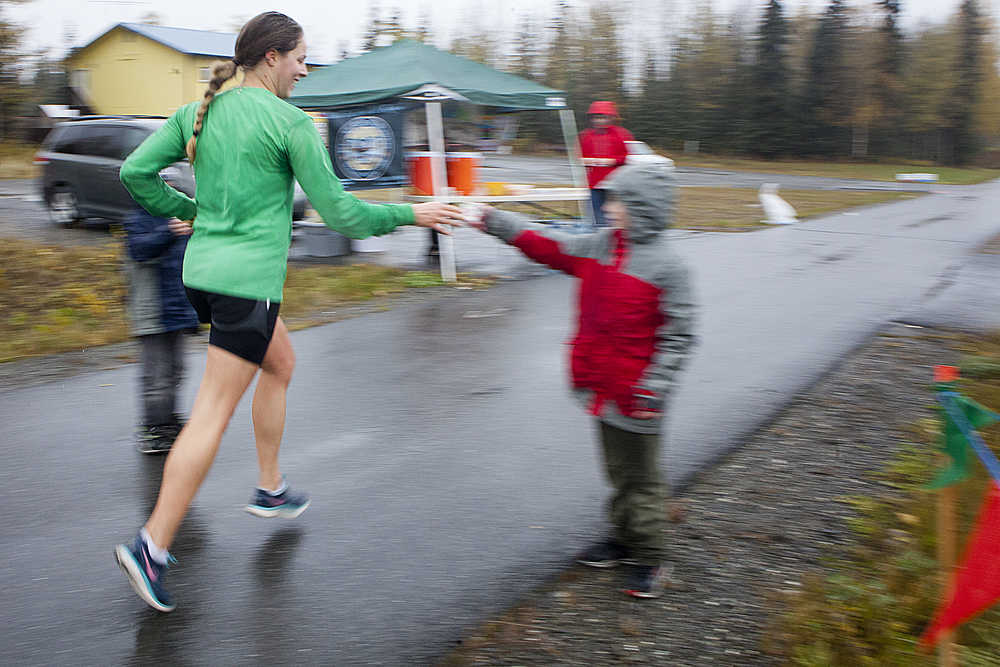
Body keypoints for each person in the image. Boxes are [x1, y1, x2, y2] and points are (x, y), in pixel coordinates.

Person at [113, 11, 463, 613]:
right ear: (272, 56)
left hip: (202, 276)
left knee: (281, 363)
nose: (305, 70)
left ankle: (270, 487)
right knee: (210, 415)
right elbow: (345, 215)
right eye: (301, 58)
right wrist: (416, 214)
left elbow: (133, 173)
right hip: (247, 288)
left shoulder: (202, 112)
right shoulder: (290, 123)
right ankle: (152, 546)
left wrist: (188, 211)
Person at [465, 162, 697, 598]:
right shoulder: (602, 247)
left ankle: (650, 557)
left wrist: (655, 386)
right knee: (617, 471)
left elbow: (680, 336)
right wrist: (494, 220)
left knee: (641, 479)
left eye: (618, 201)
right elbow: (551, 245)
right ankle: (626, 537)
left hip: (640, 396)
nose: (608, 208)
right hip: (603, 388)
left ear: (643, 207)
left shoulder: (669, 268)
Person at [123, 200, 199, 454]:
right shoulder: (137, 219)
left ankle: (168, 420)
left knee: (176, 370)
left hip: (174, 310)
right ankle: (153, 428)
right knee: (157, 375)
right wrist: (169, 231)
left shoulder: (175, 217)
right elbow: (139, 249)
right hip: (152, 310)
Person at [578, 101, 633, 227]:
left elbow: (627, 157)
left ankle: (615, 235)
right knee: (595, 213)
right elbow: (580, 156)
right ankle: (598, 234)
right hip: (594, 183)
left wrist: (612, 161)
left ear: (610, 118)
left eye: (603, 117)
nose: (600, 121)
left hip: (615, 182)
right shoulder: (586, 136)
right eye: (597, 118)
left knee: (615, 213)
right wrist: (584, 161)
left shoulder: (621, 134)